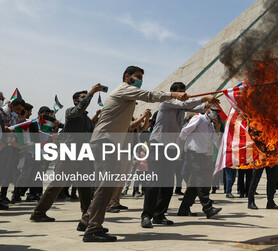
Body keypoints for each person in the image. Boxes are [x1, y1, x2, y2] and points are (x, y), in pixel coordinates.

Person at [80, 65, 187, 243]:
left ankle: (86, 221)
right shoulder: (124, 89)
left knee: (107, 186)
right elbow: (150, 96)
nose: (140, 80)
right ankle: (92, 230)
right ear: (127, 76)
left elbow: (128, 127)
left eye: (141, 78)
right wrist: (174, 95)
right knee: (105, 188)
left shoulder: (125, 98)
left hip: (109, 143)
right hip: (105, 142)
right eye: (137, 77)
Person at [141, 81, 214, 228]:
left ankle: (159, 215)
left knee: (168, 182)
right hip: (159, 145)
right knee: (154, 181)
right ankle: (146, 215)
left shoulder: (182, 108)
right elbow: (185, 104)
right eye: (181, 92)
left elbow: (195, 107)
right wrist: (205, 98)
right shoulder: (167, 102)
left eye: (184, 91)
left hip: (172, 148)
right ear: (174, 92)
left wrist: (208, 104)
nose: (184, 94)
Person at [30, 85, 103, 223]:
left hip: (82, 154)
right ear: (75, 101)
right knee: (57, 184)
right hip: (68, 154)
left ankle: (87, 215)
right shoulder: (71, 112)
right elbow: (79, 109)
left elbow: (92, 130)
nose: (86, 98)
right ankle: (38, 213)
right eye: (82, 97)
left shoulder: (86, 119)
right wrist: (92, 92)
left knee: (85, 187)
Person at [177, 107, 223, 218]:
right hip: (194, 154)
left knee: (194, 183)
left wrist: (218, 127)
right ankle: (208, 208)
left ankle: (184, 208)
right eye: (213, 110)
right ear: (207, 109)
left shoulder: (211, 124)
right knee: (200, 180)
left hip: (204, 155)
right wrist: (179, 149)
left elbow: (215, 139)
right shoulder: (199, 118)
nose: (215, 113)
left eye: (217, 112)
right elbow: (184, 131)